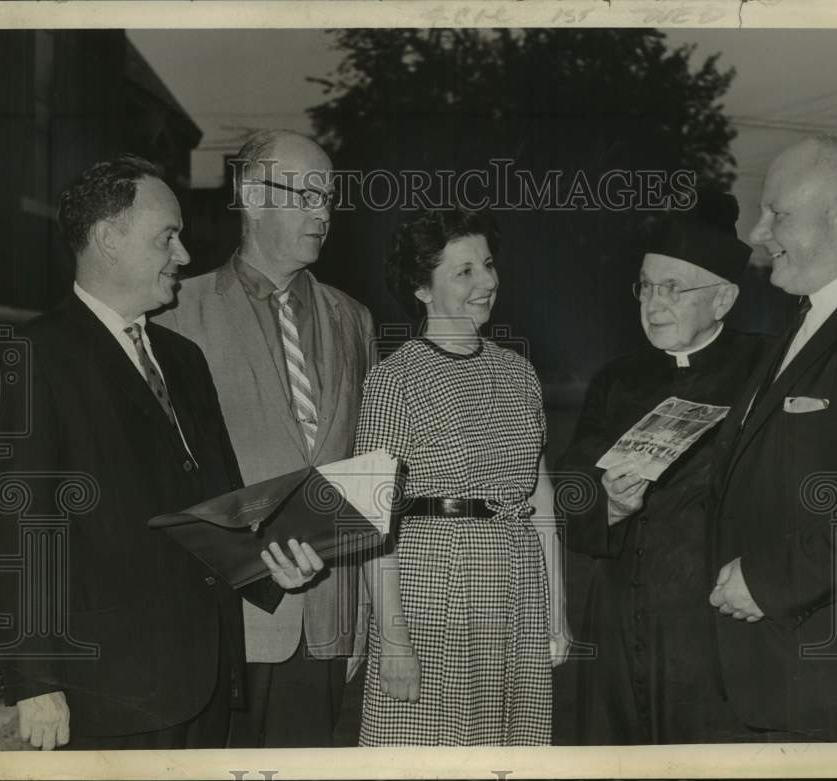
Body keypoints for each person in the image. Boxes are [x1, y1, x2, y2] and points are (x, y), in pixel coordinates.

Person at [0, 155, 323, 750]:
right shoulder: (34, 355)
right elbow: (17, 526)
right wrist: (34, 680)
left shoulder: (183, 358)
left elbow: (219, 506)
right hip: (113, 690)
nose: (184, 256)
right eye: (168, 236)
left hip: (210, 677)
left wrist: (270, 569)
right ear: (109, 240)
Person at [154, 130, 375, 747]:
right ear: (251, 196)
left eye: (329, 196)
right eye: (305, 194)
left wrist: (365, 622)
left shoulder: (353, 319)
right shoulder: (174, 311)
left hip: (329, 617)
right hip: (227, 619)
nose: (323, 212)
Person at [707, 133, 837, 741]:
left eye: (777, 213)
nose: (757, 234)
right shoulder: (807, 317)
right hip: (780, 679)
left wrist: (771, 581)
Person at [354, 207, 571, 746]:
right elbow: (367, 518)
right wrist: (394, 636)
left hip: (516, 585)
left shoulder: (518, 371)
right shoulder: (393, 379)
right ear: (422, 289)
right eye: (464, 271)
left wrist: (556, 612)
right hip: (432, 591)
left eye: (489, 265)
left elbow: (541, 499)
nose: (488, 282)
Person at [558, 198, 767, 744]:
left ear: (723, 298)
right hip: (616, 617)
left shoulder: (766, 369)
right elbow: (571, 481)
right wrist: (607, 504)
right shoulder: (616, 378)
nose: (654, 303)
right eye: (647, 286)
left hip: (712, 624)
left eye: (674, 288)